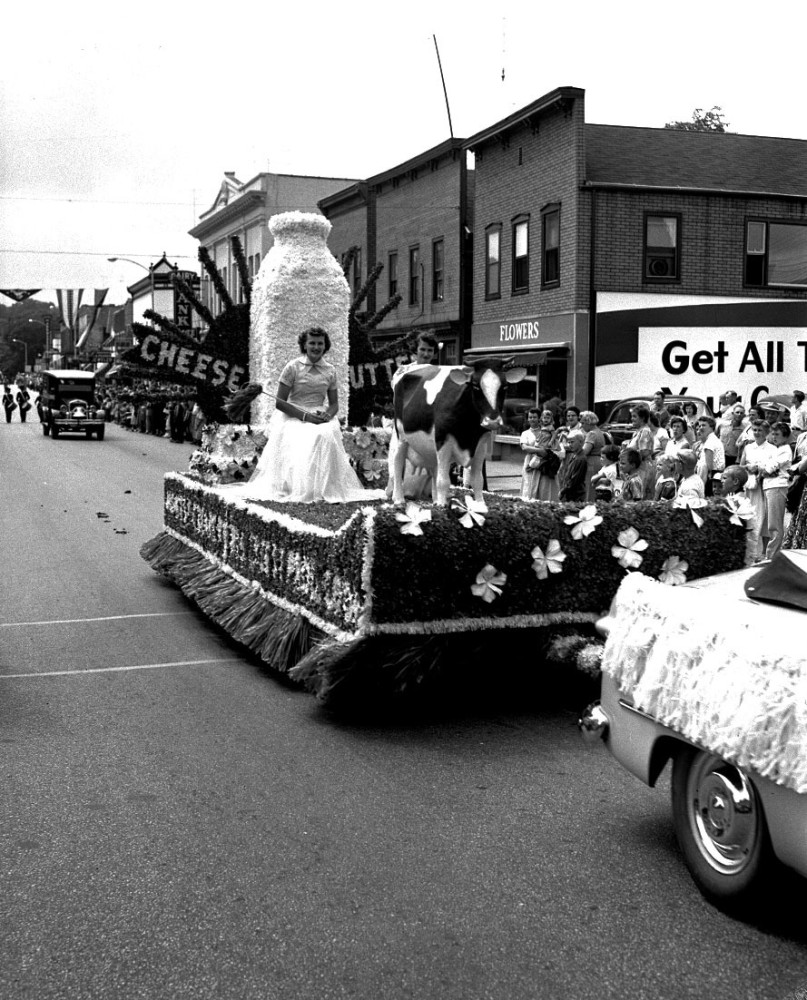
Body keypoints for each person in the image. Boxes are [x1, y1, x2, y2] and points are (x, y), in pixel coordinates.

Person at [227, 326, 385, 504]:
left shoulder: (330, 370)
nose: (316, 347)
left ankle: (324, 489)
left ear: (325, 346)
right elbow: (280, 402)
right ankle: (301, 488)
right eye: (312, 343)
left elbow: (334, 404)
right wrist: (306, 417)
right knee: (311, 436)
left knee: (325, 433)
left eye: (320, 343)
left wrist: (326, 415)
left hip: (320, 414)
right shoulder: (292, 367)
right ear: (304, 345)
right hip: (294, 416)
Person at [740, 420, 774, 563]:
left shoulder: (772, 449)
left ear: (766, 432)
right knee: (750, 517)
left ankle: (766, 552)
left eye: (760, 430)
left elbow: (773, 468)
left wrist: (759, 469)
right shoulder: (748, 447)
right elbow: (741, 466)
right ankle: (751, 552)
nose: (757, 433)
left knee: (764, 518)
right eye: (755, 430)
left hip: (764, 486)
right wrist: (749, 468)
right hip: (750, 486)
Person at [759, 421, 793, 560]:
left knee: (775, 524)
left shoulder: (785, 449)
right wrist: (764, 470)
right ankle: (772, 556)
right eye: (772, 433)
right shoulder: (775, 449)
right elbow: (762, 467)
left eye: (777, 434)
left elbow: (769, 468)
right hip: (770, 486)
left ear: (785, 436)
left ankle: (772, 557)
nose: (774, 436)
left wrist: (765, 470)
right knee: (771, 524)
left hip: (777, 486)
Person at [624, 404, 655, 497]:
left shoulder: (645, 431)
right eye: (632, 416)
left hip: (643, 469)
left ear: (642, 418)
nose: (632, 419)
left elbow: (644, 452)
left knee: (640, 497)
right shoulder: (638, 431)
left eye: (634, 416)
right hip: (636, 469)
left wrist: (629, 459)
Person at [694, 415, 725, 496]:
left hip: (712, 476)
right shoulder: (711, 440)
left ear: (711, 427)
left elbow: (709, 466)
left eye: (704, 425)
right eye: (700, 425)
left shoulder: (710, 441)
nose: (700, 428)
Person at [579, 410, 606, 501]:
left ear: (588, 422)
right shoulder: (599, 431)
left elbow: (585, 451)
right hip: (598, 461)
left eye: (582, 423)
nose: (581, 425)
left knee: (589, 489)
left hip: (591, 462)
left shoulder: (591, 434)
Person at [557, 429, 588, 502]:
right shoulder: (574, 455)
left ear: (580, 442)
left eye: (572, 442)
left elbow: (574, 480)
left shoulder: (580, 459)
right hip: (570, 494)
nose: (570, 445)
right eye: (568, 442)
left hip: (575, 495)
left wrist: (563, 491)